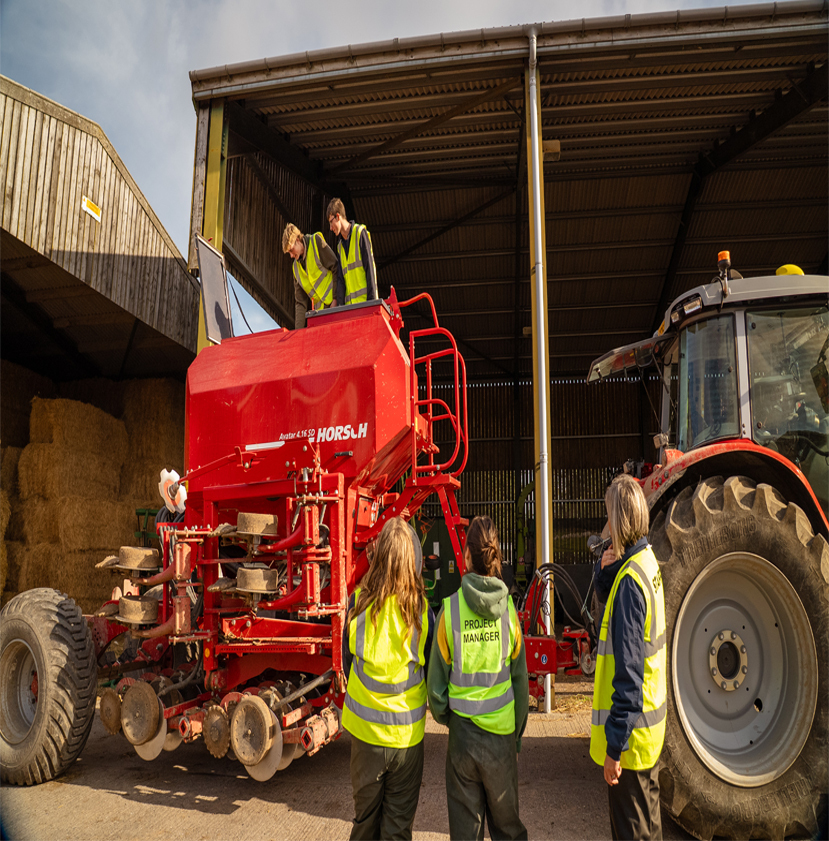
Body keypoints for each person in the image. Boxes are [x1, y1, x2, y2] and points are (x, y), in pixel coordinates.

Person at [427, 515, 529, 841]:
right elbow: (521, 686)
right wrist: (515, 737)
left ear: (467, 557)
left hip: (462, 740)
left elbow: (435, 689)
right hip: (501, 740)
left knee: (465, 832)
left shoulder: (449, 612)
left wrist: (450, 719)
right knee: (508, 829)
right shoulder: (510, 615)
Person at [342, 517, 434, 841]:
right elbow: (432, 671)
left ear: (378, 557)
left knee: (364, 822)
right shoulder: (423, 612)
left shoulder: (356, 604)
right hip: (407, 741)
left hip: (365, 738)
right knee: (397, 830)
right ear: (414, 561)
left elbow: (345, 664)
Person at [591, 473, 666, 841]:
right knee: (649, 829)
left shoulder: (629, 588)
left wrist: (614, 748)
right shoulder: (646, 564)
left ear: (618, 523)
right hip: (650, 735)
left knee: (633, 833)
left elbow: (628, 680)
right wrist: (606, 572)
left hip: (631, 743)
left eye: (609, 517)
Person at [282, 222, 345, 329]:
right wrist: (298, 332)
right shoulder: (295, 269)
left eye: (291, 250)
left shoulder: (316, 242)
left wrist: (336, 299)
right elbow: (300, 303)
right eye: (289, 253)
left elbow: (336, 267)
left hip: (336, 306)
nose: (291, 256)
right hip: (320, 316)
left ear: (298, 240)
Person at [326, 198, 378, 305]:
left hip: (365, 305)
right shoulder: (340, 246)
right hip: (351, 310)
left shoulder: (360, 234)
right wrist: (340, 308)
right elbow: (341, 280)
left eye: (331, 221)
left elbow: (370, 271)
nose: (331, 228)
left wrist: (372, 304)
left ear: (338, 216)